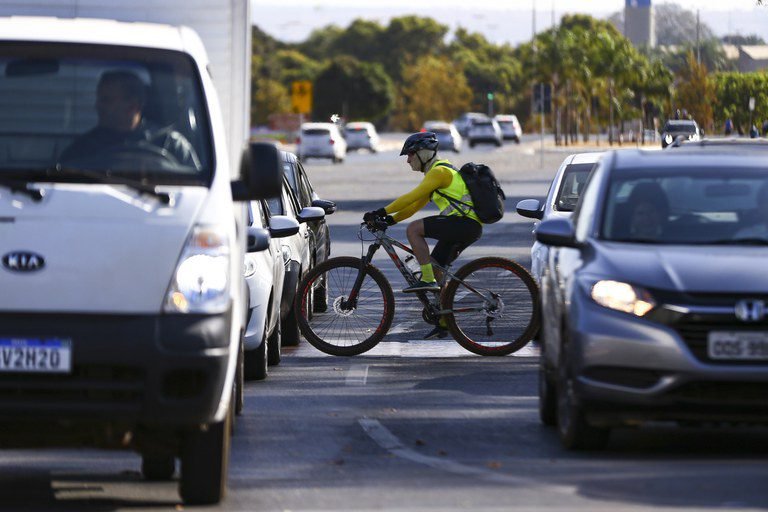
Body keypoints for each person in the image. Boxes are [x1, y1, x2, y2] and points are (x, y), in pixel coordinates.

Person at [363, 131, 482, 339]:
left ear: (424, 153)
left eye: (410, 154)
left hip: (463, 224)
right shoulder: (436, 174)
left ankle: (426, 279)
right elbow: (415, 205)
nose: (408, 160)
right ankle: (445, 320)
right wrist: (390, 220)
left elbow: (411, 197)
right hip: (466, 226)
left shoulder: (439, 172)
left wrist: (380, 212)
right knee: (438, 269)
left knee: (413, 230)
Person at [61, 70, 200, 169]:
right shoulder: (82, 150)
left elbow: (196, 190)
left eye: (106, 100)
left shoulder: (172, 146)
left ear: (132, 106)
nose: (97, 106)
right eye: (99, 99)